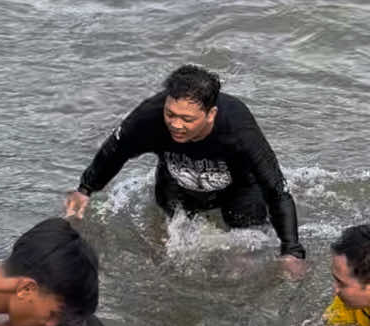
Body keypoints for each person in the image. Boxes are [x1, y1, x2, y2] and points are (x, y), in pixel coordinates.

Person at [64, 64, 306, 275]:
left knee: (241, 261)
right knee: (165, 255)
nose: (176, 125)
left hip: (238, 188)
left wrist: (292, 251)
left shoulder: (239, 128)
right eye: (170, 114)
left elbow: (276, 188)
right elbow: (115, 150)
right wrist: (86, 188)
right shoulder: (149, 116)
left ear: (211, 114)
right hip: (176, 182)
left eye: (187, 119)